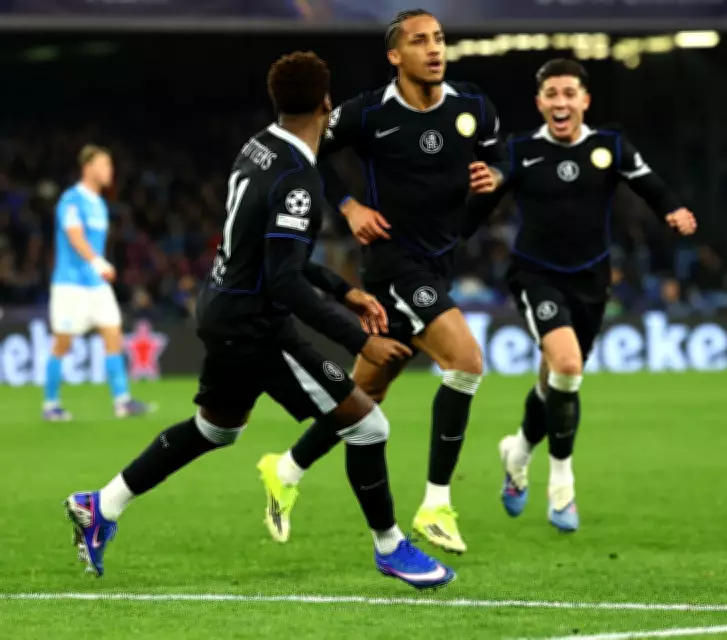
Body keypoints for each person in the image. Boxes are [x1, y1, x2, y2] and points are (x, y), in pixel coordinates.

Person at [63, 51, 455, 590]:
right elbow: (284, 281)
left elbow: (269, 253)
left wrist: (344, 290)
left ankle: (100, 505)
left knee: (215, 429)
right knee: (368, 426)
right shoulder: (298, 178)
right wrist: (359, 341)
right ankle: (390, 548)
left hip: (223, 306)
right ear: (327, 103)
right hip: (255, 324)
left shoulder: (259, 146)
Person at [257, 8, 508, 555]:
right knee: (465, 362)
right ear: (395, 55)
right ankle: (436, 505)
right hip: (395, 264)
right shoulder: (369, 112)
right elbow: (304, 150)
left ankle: (286, 468)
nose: (434, 49)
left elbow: (500, 158)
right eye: (419, 41)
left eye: (439, 39)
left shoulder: (472, 105)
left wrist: (495, 175)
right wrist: (348, 205)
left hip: (438, 263)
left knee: (363, 397)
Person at [462, 58, 698, 532]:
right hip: (536, 275)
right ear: (539, 103)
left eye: (569, 93)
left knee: (553, 381)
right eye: (551, 94)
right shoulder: (522, 149)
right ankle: (562, 488)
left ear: (585, 100)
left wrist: (673, 210)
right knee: (568, 367)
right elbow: (487, 193)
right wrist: (442, 240)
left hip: (591, 280)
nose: (561, 102)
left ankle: (517, 453)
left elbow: (649, 183)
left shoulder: (610, 146)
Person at [44, 145, 151, 421]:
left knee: (113, 334)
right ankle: (51, 404)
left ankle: (122, 401)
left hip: (96, 286)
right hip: (70, 285)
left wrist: (98, 268)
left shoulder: (100, 204)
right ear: (88, 166)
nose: (109, 171)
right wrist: (98, 262)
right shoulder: (71, 200)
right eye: (104, 165)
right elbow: (74, 236)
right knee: (62, 343)